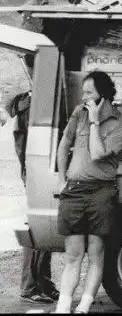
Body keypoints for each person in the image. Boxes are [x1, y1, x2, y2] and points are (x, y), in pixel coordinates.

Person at [54, 71, 122, 313]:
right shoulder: (78, 114)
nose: (83, 97)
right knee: (73, 254)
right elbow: (64, 145)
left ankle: (85, 305)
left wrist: (95, 122)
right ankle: (63, 306)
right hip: (75, 191)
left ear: (103, 96)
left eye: (89, 93)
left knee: (96, 252)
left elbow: (97, 154)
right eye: (83, 92)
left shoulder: (121, 125)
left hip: (101, 192)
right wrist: (62, 179)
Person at [5, 87, 60, 305]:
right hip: (38, 171)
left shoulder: (28, 102)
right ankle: (30, 286)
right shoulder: (34, 105)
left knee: (44, 226)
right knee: (40, 228)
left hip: (35, 171)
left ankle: (42, 283)